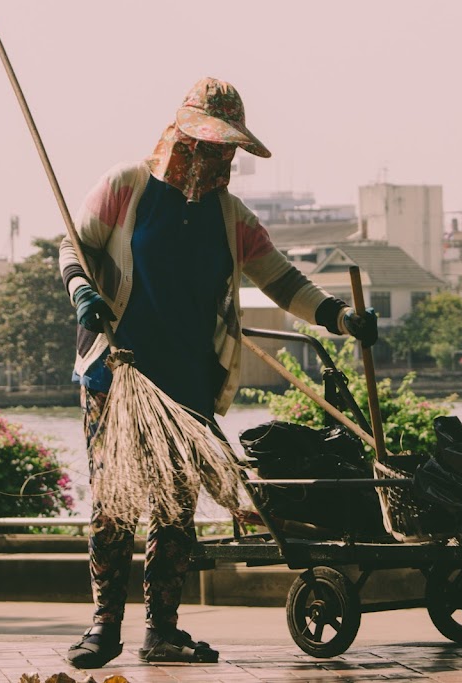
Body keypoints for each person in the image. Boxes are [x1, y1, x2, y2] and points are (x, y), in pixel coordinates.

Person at [59, 77, 377, 669]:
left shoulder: (231, 217)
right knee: (113, 500)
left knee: (175, 507)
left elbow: (282, 281)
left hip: (188, 382)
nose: (216, 159)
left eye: (225, 149)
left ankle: (163, 631)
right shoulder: (125, 187)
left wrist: (339, 317)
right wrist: (83, 293)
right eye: (206, 146)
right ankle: (104, 627)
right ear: (179, 139)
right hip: (117, 375)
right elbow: (75, 248)